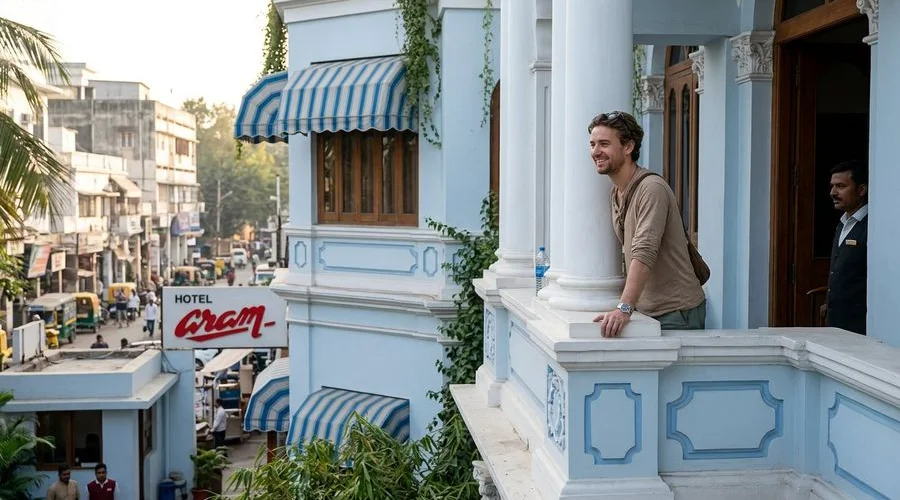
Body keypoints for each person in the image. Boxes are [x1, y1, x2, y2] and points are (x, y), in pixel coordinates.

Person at [588, 111, 707, 337]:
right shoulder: (617, 193)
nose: (595, 151)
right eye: (592, 144)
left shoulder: (651, 188)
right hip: (646, 310)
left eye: (604, 143)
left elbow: (644, 251)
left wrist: (623, 308)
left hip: (676, 312)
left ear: (628, 147)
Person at [824, 160, 868, 335]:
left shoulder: (872, 226)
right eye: (832, 186)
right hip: (836, 321)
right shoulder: (842, 224)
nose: (833, 192)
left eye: (841, 186)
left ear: (861, 190)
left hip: (860, 325)